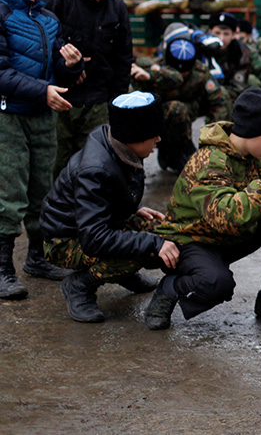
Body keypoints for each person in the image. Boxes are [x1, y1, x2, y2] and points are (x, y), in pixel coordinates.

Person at [142, 87, 261, 330]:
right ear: (253, 132)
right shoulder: (210, 160)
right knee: (217, 284)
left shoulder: (248, 158)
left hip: (224, 237)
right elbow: (228, 217)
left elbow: (244, 203)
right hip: (191, 242)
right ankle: (170, 288)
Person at [41, 91, 178, 322]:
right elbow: (94, 238)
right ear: (134, 137)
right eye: (152, 135)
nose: (158, 140)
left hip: (93, 225)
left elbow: (107, 195)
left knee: (163, 231)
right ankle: (80, 286)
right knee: (146, 250)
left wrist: (134, 207)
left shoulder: (118, 143)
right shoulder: (95, 170)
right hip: (64, 240)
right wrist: (152, 243)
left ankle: (123, 273)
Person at [0, 0, 84, 300]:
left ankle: (38, 258)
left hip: (42, 115)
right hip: (9, 116)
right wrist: (42, 90)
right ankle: (3, 269)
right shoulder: (1, 15)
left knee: (42, 189)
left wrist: (73, 65)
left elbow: (57, 71)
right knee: (10, 192)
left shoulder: (49, 20)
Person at [50, 0, 134, 177]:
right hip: (62, 101)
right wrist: (66, 64)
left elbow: (123, 59)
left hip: (98, 102)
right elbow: (44, 45)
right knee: (57, 166)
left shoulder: (117, 8)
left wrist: (117, 105)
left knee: (94, 167)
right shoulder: (61, 0)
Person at [133, 24, 232, 173]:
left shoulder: (200, 72)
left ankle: (183, 148)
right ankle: (168, 149)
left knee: (223, 94)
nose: (182, 76)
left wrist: (213, 143)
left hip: (190, 109)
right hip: (161, 116)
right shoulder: (154, 68)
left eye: (185, 72)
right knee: (176, 108)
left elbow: (218, 102)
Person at [206, 12, 261, 103]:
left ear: (233, 35)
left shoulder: (243, 51)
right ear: (210, 31)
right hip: (207, 91)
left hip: (234, 93)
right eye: (217, 33)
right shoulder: (202, 49)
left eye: (226, 34)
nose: (221, 38)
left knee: (253, 81)